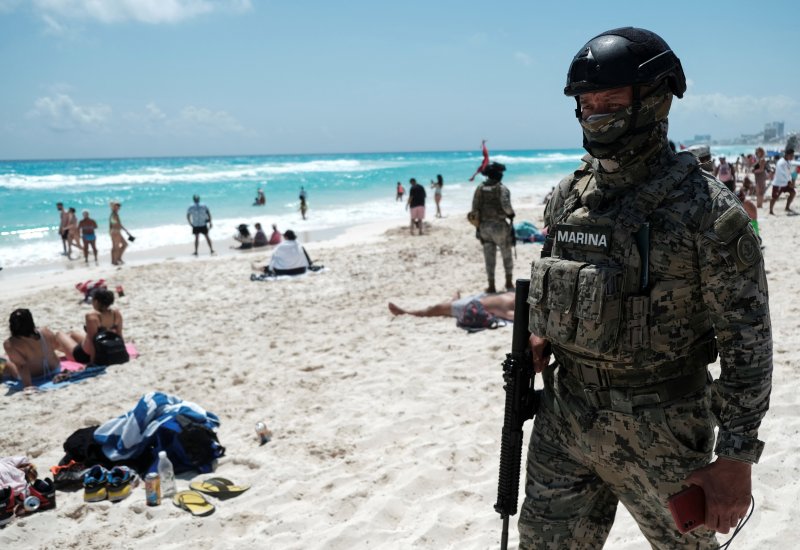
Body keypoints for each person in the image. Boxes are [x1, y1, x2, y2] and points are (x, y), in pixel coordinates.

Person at [519, 27, 772, 549]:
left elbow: (748, 347)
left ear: (655, 101)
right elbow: (562, 284)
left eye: (610, 102)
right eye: (587, 104)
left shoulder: (706, 210)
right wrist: (542, 336)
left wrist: (736, 458)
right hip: (565, 418)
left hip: (665, 433)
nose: (596, 114)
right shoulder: (568, 196)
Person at [469, 161, 515, 293]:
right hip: (499, 226)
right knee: (506, 254)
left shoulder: (480, 188)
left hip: (484, 226)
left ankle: (491, 285)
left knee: (489, 257)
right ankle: (508, 282)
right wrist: (511, 215)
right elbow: (506, 206)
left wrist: (478, 227)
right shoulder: (501, 188)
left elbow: (474, 208)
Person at [56, 289, 123, 365]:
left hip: (83, 356)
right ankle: (63, 348)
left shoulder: (92, 317)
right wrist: (122, 352)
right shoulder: (116, 314)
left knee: (59, 334)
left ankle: (52, 354)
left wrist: (93, 362)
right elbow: (119, 335)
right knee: (73, 334)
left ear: (96, 301)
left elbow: (92, 340)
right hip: (107, 349)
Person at [3, 309, 63, 388]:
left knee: (3, 360)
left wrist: (28, 385)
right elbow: (56, 346)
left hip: (33, 376)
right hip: (55, 369)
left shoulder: (10, 343)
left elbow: (22, 366)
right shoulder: (45, 331)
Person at [388, 290, 515, 321]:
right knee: (452, 302)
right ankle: (454, 299)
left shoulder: (508, 309)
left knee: (436, 308)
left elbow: (513, 317)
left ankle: (405, 313)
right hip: (478, 299)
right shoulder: (515, 297)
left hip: (470, 306)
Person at [251, 229, 319, 276]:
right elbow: (307, 259)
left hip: (285, 271)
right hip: (301, 269)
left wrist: (270, 268)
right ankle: (258, 267)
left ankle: (257, 268)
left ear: (286, 237)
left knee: (269, 266)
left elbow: (273, 259)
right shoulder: (299, 244)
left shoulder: (281, 246)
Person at [768, 148, 796, 216]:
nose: (792, 157)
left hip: (786, 183)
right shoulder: (781, 162)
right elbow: (782, 174)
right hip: (778, 184)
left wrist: (790, 181)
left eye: (793, 155)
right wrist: (789, 182)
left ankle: (787, 207)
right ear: (787, 155)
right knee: (774, 197)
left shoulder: (788, 161)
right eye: (791, 155)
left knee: (793, 193)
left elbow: (788, 173)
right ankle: (771, 210)